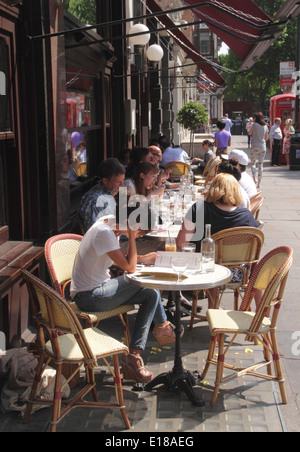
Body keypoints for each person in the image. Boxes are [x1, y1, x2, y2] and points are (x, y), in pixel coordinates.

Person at [71, 198, 181, 383]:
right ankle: (162, 326)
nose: (139, 236)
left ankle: (134, 355)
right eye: (140, 232)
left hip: (97, 291)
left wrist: (142, 259)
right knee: (147, 283)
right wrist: (130, 237)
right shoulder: (104, 232)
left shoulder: (107, 221)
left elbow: (115, 258)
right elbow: (129, 269)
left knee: (151, 293)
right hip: (90, 296)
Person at [177, 173, 258, 308]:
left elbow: (181, 243)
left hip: (206, 272)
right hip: (238, 273)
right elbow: (254, 250)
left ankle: (213, 307)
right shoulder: (247, 216)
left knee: (209, 259)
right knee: (258, 265)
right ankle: (259, 313)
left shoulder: (199, 208)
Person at [79, 158, 125, 232]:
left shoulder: (110, 193)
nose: (122, 185)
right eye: (118, 182)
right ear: (105, 181)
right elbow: (95, 233)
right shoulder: (95, 200)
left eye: (123, 180)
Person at [248, 112, 269, 189]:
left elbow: (249, 133)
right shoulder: (265, 126)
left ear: (256, 118)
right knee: (260, 164)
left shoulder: (254, 125)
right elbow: (266, 138)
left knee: (253, 163)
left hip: (254, 146)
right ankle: (259, 183)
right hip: (262, 146)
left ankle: (254, 179)